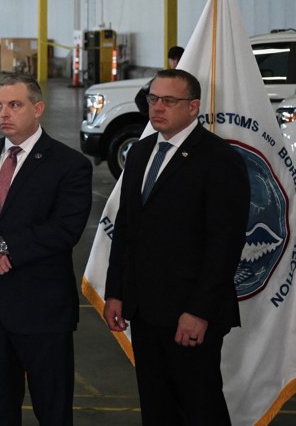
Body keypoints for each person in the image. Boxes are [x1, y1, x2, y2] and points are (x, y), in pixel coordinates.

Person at [0, 73, 92, 426]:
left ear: (38, 108)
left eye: (15, 105)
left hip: (42, 311)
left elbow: (65, 229)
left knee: (52, 411)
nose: (4, 113)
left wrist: (5, 247)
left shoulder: (69, 164)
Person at [104, 69, 248, 425]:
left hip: (191, 312)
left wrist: (199, 311)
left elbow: (224, 244)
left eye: (169, 101)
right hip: (144, 308)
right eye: (153, 99)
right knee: (157, 406)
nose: (158, 107)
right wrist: (116, 292)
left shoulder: (219, 159)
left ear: (193, 107)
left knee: (200, 407)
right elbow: (125, 229)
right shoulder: (139, 153)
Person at [136, 46, 186, 114]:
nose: (176, 62)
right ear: (169, 60)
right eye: (173, 59)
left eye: (179, 59)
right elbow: (140, 98)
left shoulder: (190, 78)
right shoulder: (163, 77)